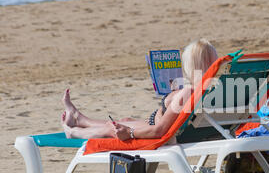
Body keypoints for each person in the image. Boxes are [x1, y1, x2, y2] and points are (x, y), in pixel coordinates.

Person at [61, 38, 218, 140]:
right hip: (192, 131)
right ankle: (79, 119)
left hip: (160, 131)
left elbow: (159, 131)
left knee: (112, 128)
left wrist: (128, 133)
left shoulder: (188, 92)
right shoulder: (217, 88)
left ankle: (73, 132)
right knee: (125, 121)